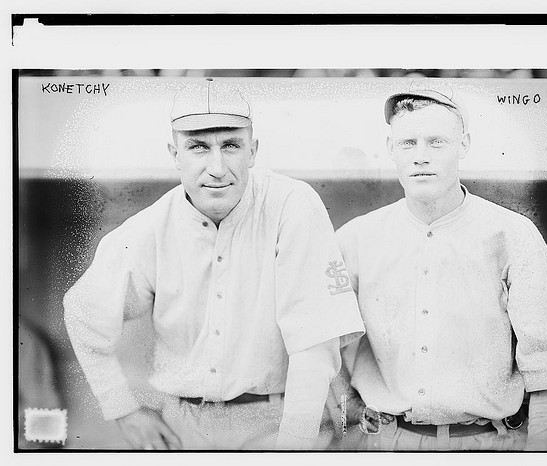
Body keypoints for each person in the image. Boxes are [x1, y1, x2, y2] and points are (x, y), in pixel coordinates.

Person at [64, 78, 365, 450]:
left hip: (279, 421)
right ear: (174, 154)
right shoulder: (149, 229)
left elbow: (315, 344)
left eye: (231, 146)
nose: (217, 168)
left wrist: (294, 446)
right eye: (198, 147)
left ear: (253, 150)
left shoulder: (292, 205)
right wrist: (122, 409)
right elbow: (82, 313)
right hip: (183, 426)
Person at [332, 83, 547, 451]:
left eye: (436, 142)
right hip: (385, 445)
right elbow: (321, 346)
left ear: (464, 145)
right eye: (408, 143)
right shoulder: (354, 239)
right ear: (391, 149)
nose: (421, 156)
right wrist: (350, 412)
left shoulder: (512, 234)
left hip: (488, 443)